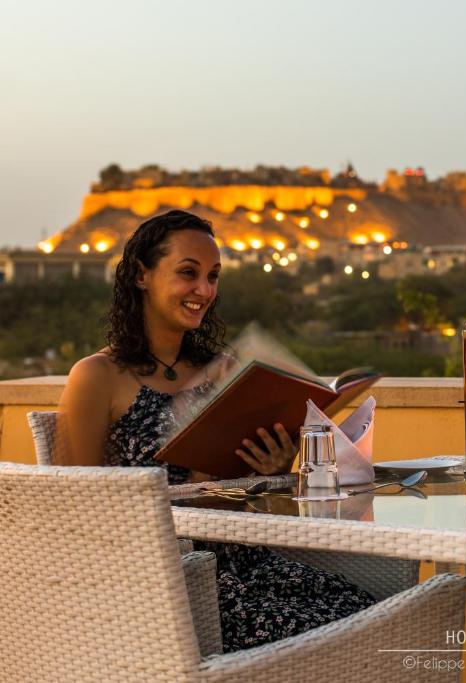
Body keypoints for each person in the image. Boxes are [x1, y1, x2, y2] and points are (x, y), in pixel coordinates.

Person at [57, 209, 376, 652]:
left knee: (366, 612)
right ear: (140, 275)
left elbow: (254, 507)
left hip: (249, 560)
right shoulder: (97, 375)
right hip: (169, 580)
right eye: (188, 273)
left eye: (213, 276)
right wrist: (192, 486)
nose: (204, 290)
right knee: (324, 633)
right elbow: (75, 508)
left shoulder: (224, 371)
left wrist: (271, 470)